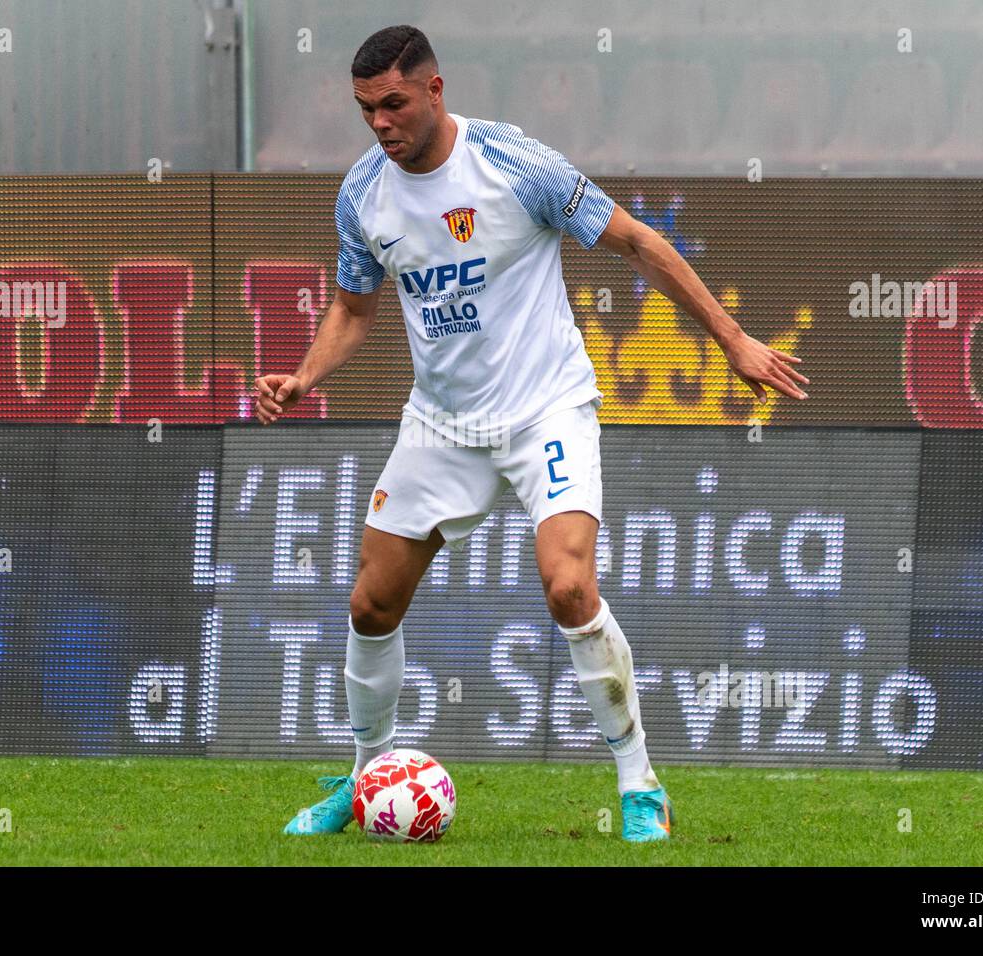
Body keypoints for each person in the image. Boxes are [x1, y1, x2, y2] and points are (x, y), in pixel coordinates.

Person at [255, 25, 809, 842]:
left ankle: (639, 784)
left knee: (568, 589)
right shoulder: (362, 193)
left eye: (395, 104)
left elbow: (641, 244)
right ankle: (369, 776)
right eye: (366, 109)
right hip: (441, 425)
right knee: (371, 605)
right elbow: (352, 307)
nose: (380, 122)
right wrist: (305, 376)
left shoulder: (516, 164)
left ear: (436, 91)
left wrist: (734, 341)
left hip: (545, 409)